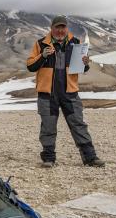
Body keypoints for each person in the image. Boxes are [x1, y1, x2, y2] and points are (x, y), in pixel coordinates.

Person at [26, 15, 104, 168]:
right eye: (57, 28)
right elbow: (30, 66)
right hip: (47, 94)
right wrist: (43, 56)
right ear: (52, 28)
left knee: (78, 125)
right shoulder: (41, 44)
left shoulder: (76, 44)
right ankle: (48, 159)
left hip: (70, 93)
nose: (60, 31)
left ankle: (90, 158)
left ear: (66, 28)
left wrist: (85, 64)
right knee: (48, 126)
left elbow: (81, 68)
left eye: (63, 28)